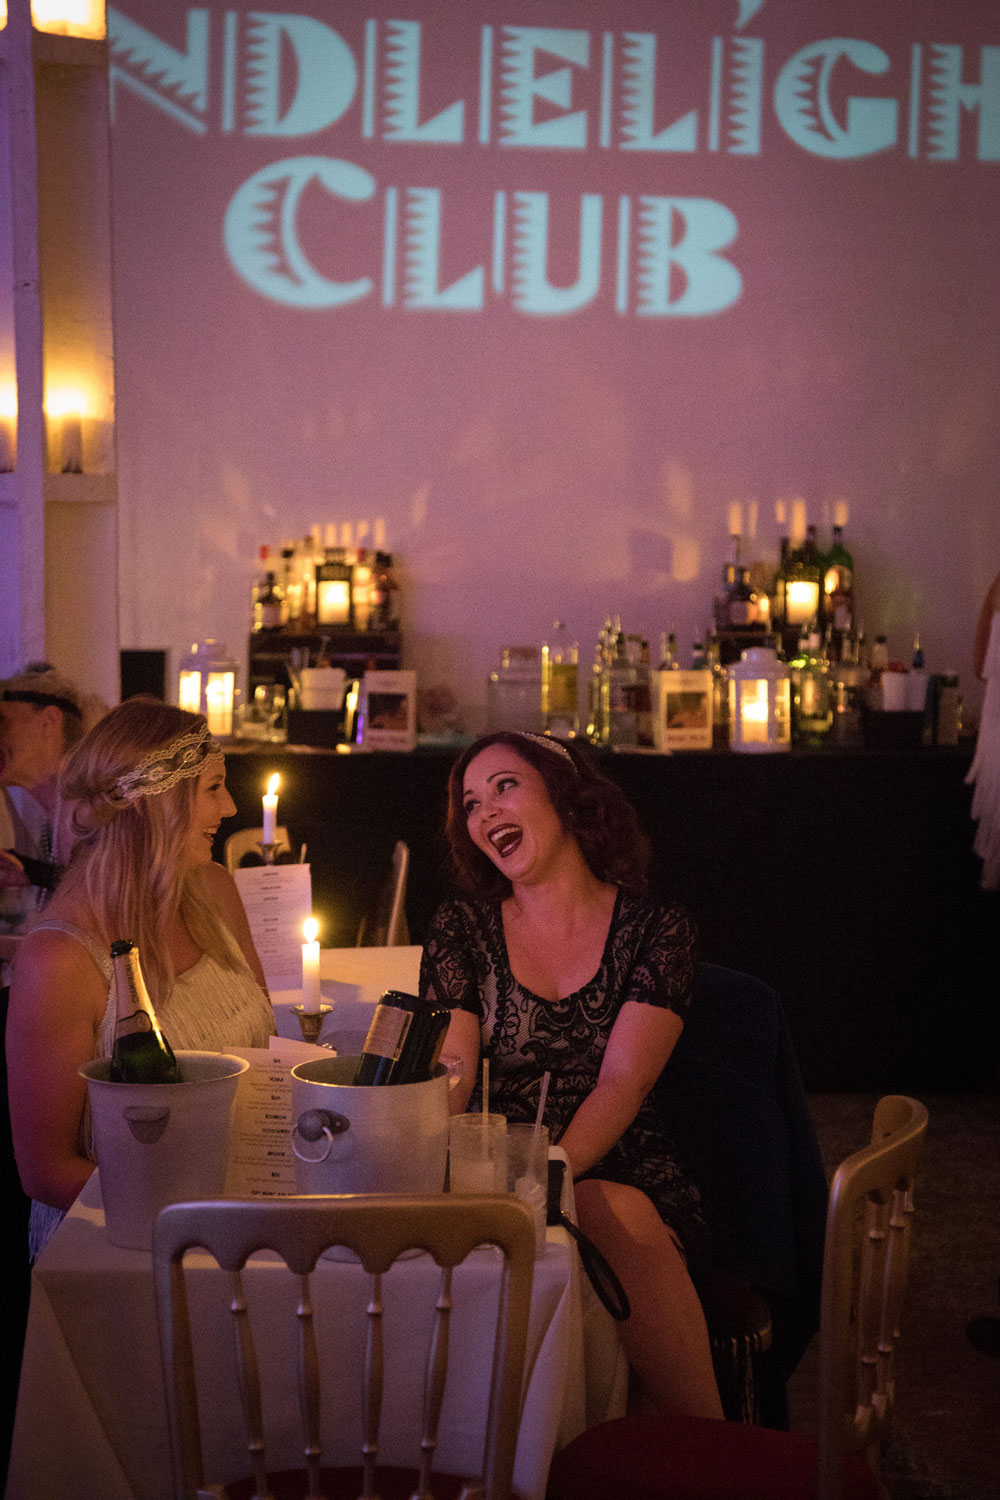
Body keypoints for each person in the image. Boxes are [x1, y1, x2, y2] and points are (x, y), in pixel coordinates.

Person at [419, 729, 724, 1420]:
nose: (485, 811)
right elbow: (456, 1072)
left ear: (567, 797)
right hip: (493, 1166)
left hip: (620, 1167)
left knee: (603, 1205)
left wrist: (551, 1173)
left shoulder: (658, 928)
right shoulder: (461, 926)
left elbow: (623, 1081)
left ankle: (717, 1447)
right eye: (470, 803)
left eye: (505, 787)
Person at [5, 699, 274, 1258]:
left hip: (243, 1219)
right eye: (212, 787)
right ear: (156, 805)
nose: (229, 805)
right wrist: (190, 1219)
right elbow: (45, 1170)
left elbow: (266, 1054)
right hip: (114, 1247)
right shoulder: (59, 959)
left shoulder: (215, 891)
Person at [0, 664, 108, 949]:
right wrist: (29, 871)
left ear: (48, 720)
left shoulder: (90, 806)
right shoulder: (59, 807)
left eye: (2, 721)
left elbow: (106, 905)